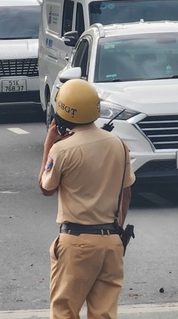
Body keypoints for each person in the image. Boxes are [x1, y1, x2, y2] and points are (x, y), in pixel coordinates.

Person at [39, 79, 136, 319]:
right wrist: (118, 230)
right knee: (104, 314)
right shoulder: (118, 145)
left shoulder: (62, 149)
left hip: (77, 242)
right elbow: (126, 192)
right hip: (112, 242)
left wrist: (49, 143)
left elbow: (46, 188)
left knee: (65, 312)